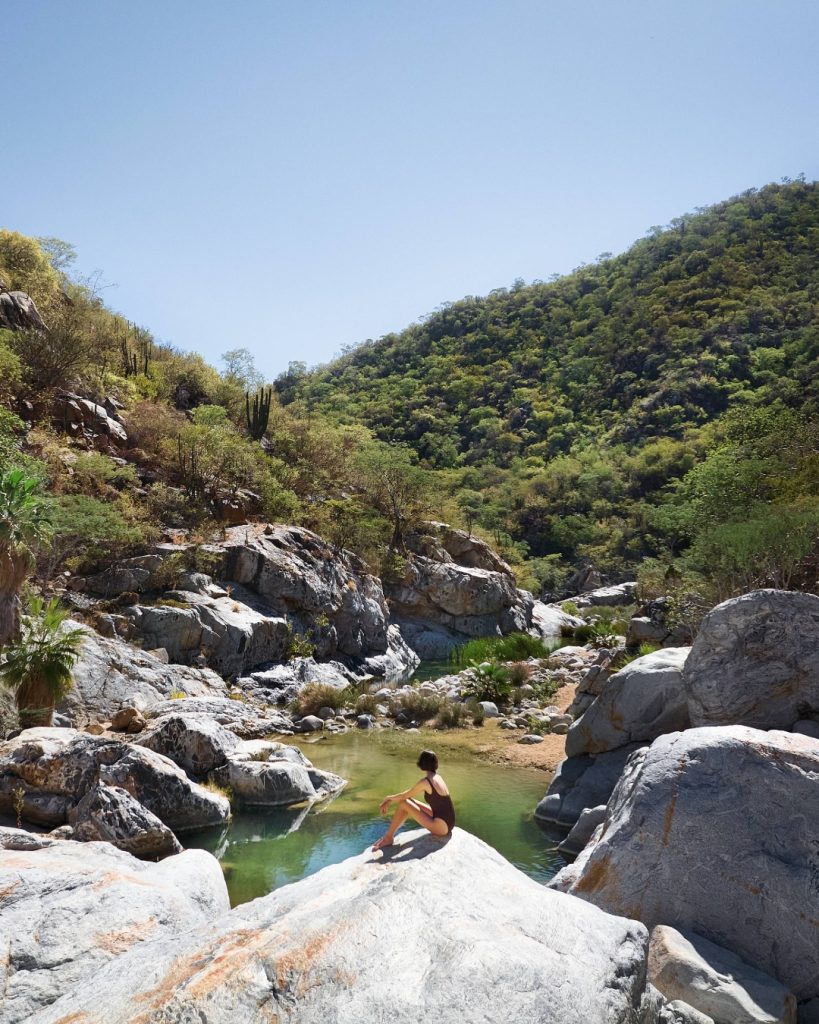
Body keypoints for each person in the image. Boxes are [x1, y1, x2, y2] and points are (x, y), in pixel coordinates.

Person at [372, 749, 455, 851]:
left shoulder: (426, 782)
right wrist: (390, 799)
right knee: (409, 800)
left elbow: (404, 796)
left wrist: (388, 798)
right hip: (448, 823)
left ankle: (388, 838)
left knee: (403, 803)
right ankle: (388, 837)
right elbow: (407, 795)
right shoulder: (438, 777)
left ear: (422, 764)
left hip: (441, 827)